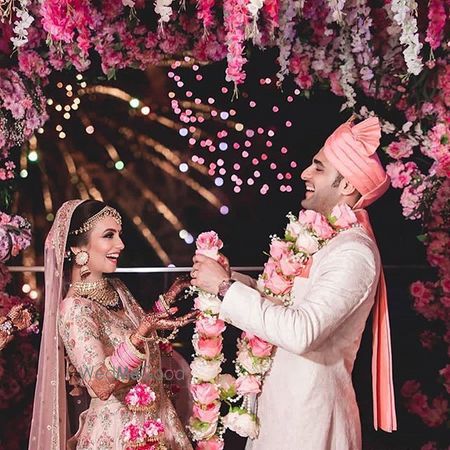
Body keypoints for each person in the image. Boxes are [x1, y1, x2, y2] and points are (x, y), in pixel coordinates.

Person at [191, 116, 397, 449]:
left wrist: (225, 290)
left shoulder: (354, 253)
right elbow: (285, 301)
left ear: (346, 185)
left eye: (318, 167)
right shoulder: (323, 239)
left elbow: (301, 332)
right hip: (278, 415)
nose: (305, 174)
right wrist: (229, 279)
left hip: (310, 422)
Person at [29, 199, 197, 450]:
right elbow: (100, 384)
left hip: (157, 423)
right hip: (118, 435)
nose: (120, 244)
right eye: (109, 235)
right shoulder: (74, 309)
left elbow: (132, 331)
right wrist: (142, 332)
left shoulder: (117, 288)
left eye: (119, 235)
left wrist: (166, 303)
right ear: (77, 248)